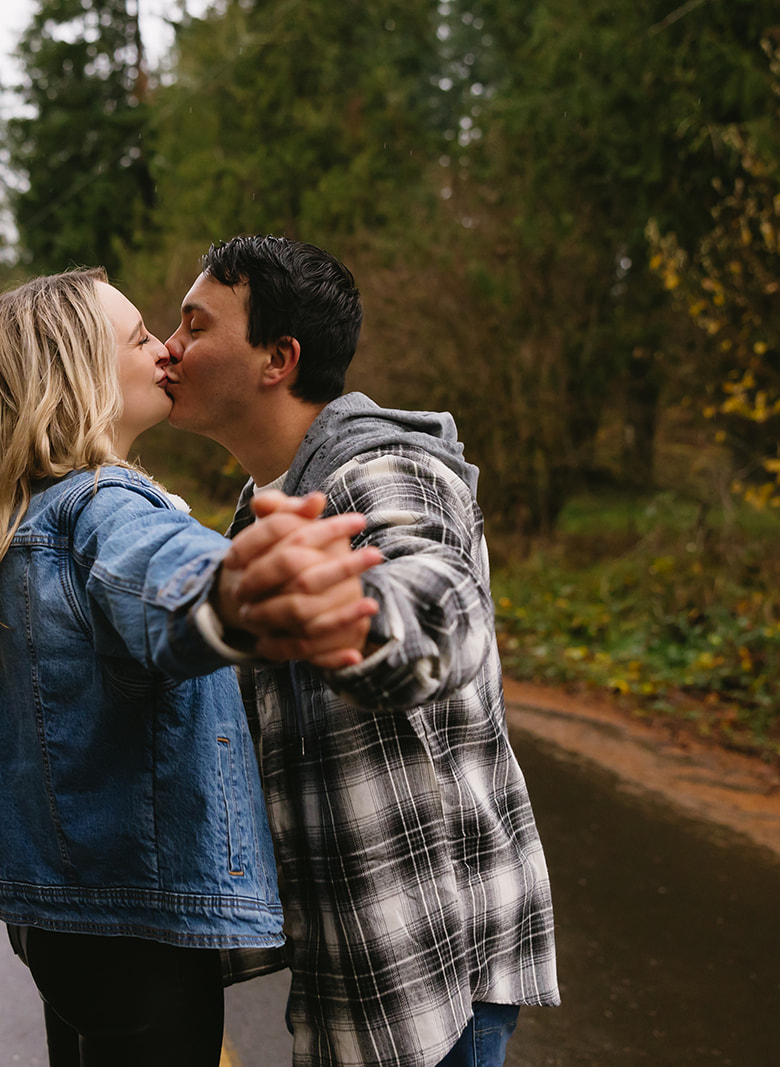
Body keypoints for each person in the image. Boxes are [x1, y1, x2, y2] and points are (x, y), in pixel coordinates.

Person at [0, 268, 382, 1067]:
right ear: (79, 375)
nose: (165, 349)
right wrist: (235, 589)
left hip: (60, 922)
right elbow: (161, 573)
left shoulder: (23, 518)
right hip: (139, 935)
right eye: (139, 336)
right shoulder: (104, 504)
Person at [162, 236, 561, 1067]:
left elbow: (443, 603)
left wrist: (357, 617)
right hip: (358, 964)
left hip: (425, 966)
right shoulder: (267, 504)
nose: (170, 347)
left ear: (279, 357)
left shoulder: (382, 469)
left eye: (194, 325)